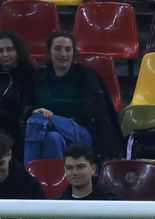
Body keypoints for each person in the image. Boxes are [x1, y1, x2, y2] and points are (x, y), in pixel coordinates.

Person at [28, 31, 124, 163]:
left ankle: (29, 174)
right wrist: (35, 111)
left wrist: (50, 114)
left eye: (68, 49)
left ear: (73, 52)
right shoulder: (40, 77)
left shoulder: (87, 75)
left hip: (81, 130)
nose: (63, 54)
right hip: (47, 130)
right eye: (57, 49)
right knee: (53, 138)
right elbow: (30, 105)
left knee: (37, 121)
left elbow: (88, 110)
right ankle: (57, 181)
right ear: (49, 52)